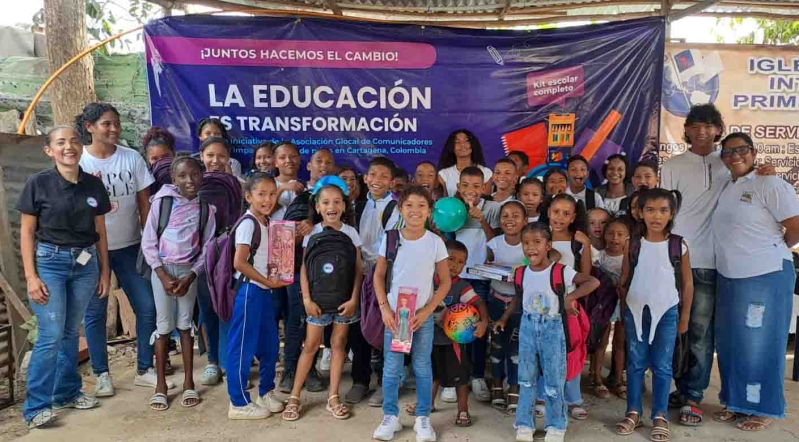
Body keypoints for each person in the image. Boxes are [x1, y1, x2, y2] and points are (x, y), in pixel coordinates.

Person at [17, 127, 111, 429]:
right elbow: (27, 232)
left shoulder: (93, 185)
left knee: (71, 331)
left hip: (85, 263)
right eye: (60, 143)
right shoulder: (38, 184)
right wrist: (31, 276)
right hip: (50, 263)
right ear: (49, 150)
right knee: (50, 334)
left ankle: (67, 392)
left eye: (73, 141)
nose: (68, 147)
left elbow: (101, 232)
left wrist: (105, 271)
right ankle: (36, 408)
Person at [76, 103, 166, 396]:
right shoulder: (80, 163)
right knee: (95, 313)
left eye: (116, 123)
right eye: (106, 124)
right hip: (90, 251)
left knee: (148, 307)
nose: (114, 129)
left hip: (130, 247)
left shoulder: (131, 159)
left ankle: (144, 368)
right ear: (89, 127)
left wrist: (148, 243)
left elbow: (145, 204)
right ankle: (102, 374)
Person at [711, 133, 799, 432]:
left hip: (764, 277)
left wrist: (770, 248)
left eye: (742, 150)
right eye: (728, 152)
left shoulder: (770, 183)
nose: (736, 156)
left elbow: (795, 227)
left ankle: (761, 407)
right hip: (729, 276)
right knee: (732, 343)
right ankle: (735, 402)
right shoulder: (729, 186)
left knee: (760, 345)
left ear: (754, 152)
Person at [494, 222, 599, 442]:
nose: (531, 247)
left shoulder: (560, 271)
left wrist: (571, 297)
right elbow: (519, 298)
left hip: (552, 328)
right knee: (526, 379)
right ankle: (524, 424)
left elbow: (592, 281)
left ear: (548, 245)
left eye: (537, 242)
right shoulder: (521, 273)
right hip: (527, 328)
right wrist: (504, 318)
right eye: (526, 243)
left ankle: (556, 425)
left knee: (553, 380)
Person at [658, 103, 726, 426]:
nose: (701, 132)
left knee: (699, 330)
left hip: (711, 262)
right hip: (676, 259)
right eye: (695, 126)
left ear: (717, 130)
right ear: (686, 130)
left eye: (708, 126)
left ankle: (694, 396)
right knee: (675, 329)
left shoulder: (729, 164)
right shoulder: (672, 165)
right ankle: (681, 386)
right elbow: (665, 213)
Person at [372, 186, 451, 442]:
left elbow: (446, 283)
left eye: (421, 206)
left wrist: (428, 311)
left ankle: (423, 418)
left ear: (429, 212)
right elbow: (379, 275)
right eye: (409, 205)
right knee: (392, 368)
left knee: (422, 367)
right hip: (397, 316)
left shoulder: (435, 242)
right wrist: (384, 307)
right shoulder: (392, 238)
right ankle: (390, 417)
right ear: (400, 209)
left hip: (423, 316)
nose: (415, 210)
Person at [616, 188, 694, 442]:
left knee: (662, 365)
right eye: (650, 210)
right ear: (640, 212)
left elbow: (687, 284)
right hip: (636, 312)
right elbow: (625, 279)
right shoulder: (633, 243)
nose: (656, 216)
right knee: (635, 363)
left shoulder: (678, 245)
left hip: (668, 312)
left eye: (663, 210)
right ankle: (633, 411)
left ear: (671, 214)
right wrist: (624, 306)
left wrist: (684, 318)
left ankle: (659, 414)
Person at [140, 156, 217, 411]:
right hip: (162, 269)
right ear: (174, 179)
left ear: (202, 176)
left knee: (185, 324)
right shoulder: (162, 203)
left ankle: (188, 382)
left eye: (194, 175)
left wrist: (191, 275)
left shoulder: (206, 209)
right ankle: (160, 384)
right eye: (183, 176)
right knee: (163, 326)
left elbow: (207, 248)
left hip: (188, 273)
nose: (189, 180)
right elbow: (149, 241)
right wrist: (162, 275)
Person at [282, 181, 363, 421]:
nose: (332, 206)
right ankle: (295, 396)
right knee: (310, 346)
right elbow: (305, 269)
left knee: (338, 345)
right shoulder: (313, 233)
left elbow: (358, 270)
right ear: (317, 207)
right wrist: (306, 299)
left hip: (343, 304)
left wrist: (354, 299)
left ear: (344, 205)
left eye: (337, 202)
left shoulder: (351, 233)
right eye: (326, 202)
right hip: (316, 303)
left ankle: (333, 396)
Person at [226, 172, 288, 419]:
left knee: (269, 344)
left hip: (263, 292)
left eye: (272, 194)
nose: (267, 199)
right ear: (248, 195)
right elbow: (239, 263)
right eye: (261, 194)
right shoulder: (248, 223)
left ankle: (266, 391)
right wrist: (267, 281)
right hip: (249, 291)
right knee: (242, 347)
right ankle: (238, 403)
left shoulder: (265, 222)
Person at [406, 240, 487, 427]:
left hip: (454, 343)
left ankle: (463, 411)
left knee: (460, 378)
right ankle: (427, 405)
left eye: (460, 262)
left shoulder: (461, 286)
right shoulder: (425, 280)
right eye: (450, 259)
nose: (455, 265)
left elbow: (479, 303)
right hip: (428, 339)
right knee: (430, 374)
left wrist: (483, 322)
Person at [279, 148, 337, 394]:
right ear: (309, 166)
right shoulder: (301, 198)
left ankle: (310, 368)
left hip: (326, 274)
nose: (323, 165)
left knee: (317, 321)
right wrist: (297, 229)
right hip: (296, 270)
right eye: (318, 161)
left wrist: (316, 224)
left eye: (328, 162)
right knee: (296, 320)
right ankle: (289, 371)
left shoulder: (338, 196)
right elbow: (281, 234)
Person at [345, 156, 401, 406]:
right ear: (365, 178)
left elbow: (389, 244)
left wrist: (375, 272)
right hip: (358, 274)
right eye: (373, 175)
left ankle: (385, 383)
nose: (377, 180)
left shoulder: (395, 208)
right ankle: (360, 380)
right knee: (358, 327)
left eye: (384, 177)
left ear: (391, 182)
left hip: (383, 275)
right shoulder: (355, 206)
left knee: (383, 327)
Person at [536, 194, 591, 422]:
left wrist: (586, 245)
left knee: (571, 352)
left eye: (566, 213)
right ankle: (541, 397)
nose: (560, 217)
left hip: (568, 308)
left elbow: (586, 276)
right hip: (541, 307)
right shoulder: (538, 237)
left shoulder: (576, 241)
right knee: (542, 353)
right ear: (548, 211)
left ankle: (573, 399)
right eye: (556, 211)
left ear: (574, 217)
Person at [453, 166, 500, 402]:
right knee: (452, 327)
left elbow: (496, 244)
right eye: (465, 186)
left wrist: (482, 221)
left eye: (476, 186)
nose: (471, 191)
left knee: (478, 328)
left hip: (481, 278)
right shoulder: (453, 209)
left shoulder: (491, 210)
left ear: (484, 188)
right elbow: (446, 243)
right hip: (456, 278)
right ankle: (453, 377)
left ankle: (478, 375)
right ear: (458, 188)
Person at [486, 201, 527, 411]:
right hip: (495, 299)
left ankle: (514, 386)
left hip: (519, 303)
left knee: (516, 347)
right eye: (505, 215)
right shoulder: (494, 243)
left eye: (516, 215)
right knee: (497, 345)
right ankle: (496, 385)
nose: (510, 219)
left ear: (525, 220)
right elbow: (486, 267)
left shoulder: (528, 244)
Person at [590, 218, 630, 400]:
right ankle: (597, 379)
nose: (615, 238)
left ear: (628, 238)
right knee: (601, 341)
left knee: (620, 343)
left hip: (623, 303)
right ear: (604, 235)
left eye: (620, 234)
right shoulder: (599, 256)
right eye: (611, 233)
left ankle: (618, 379)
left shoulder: (630, 258)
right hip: (604, 305)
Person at [437, 130, 493, 197]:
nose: (462, 145)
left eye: (466, 141)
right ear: (452, 148)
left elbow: (486, 201)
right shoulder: (444, 174)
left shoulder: (486, 172)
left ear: (472, 145)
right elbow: (443, 202)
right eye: (457, 142)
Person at [271, 142, 305, 220]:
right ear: (275, 163)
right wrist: (281, 188)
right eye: (282, 157)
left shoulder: (305, 185)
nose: (288, 160)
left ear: (299, 159)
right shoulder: (268, 184)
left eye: (293, 156)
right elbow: (266, 212)